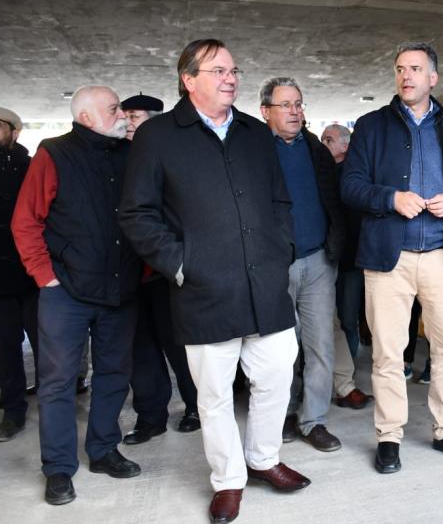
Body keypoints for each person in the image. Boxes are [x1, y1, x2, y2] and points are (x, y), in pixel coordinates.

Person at [119, 40, 309, 523]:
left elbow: (280, 201)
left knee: (275, 377)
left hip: (264, 285)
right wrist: (181, 264)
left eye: (234, 70)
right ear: (189, 79)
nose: (231, 78)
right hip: (203, 289)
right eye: (219, 70)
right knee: (215, 395)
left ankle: (264, 459)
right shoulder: (158, 136)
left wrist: (280, 249)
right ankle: (228, 481)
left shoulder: (252, 132)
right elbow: (137, 213)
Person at [341, 42, 443, 474]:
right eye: (401, 69)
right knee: (388, 354)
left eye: (416, 69)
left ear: (433, 78)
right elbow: (349, 186)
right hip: (390, 259)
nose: (407, 76)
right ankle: (389, 436)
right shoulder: (371, 127)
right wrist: (390, 197)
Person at [12, 86, 142, 505]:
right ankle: (58, 468)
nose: (122, 114)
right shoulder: (54, 153)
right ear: (87, 117)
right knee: (57, 382)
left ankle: (103, 450)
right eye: (113, 109)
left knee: (114, 375)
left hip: (120, 288)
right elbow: (26, 220)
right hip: (64, 290)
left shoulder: (128, 154)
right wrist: (43, 275)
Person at [258, 77, 345, 452]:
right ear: (266, 111)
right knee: (279, 350)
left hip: (318, 263)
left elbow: (334, 202)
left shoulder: (315, 149)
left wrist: (334, 245)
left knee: (320, 346)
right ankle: (283, 415)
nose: (295, 112)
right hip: (275, 266)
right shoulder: (251, 150)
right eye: (286, 105)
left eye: (299, 104)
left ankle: (314, 420)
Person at [119, 93, 200, 445]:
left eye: (134, 116)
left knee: (179, 345)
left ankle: (195, 406)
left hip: (165, 270)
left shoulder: (172, 151)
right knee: (141, 348)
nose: (127, 122)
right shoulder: (116, 154)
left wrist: (177, 259)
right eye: (126, 116)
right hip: (127, 270)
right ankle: (150, 416)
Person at [0, 107, 39, 443]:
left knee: (48, 345)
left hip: (32, 276)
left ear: (14, 132)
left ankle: (56, 401)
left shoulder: (31, 168)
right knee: (4, 348)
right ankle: (13, 412)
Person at [319, 123, 373, 411]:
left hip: (351, 260)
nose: (324, 143)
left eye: (329, 139)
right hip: (325, 258)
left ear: (345, 146)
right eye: (323, 138)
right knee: (328, 320)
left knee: (347, 319)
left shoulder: (357, 176)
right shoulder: (319, 174)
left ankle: (346, 379)